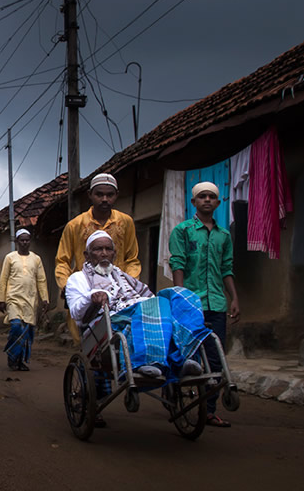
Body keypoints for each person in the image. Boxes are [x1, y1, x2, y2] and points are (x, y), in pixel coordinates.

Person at [65, 230, 208, 379]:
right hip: (109, 322)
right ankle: (149, 361)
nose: (104, 253)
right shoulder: (78, 278)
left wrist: (160, 304)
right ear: (87, 255)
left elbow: (148, 295)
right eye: (98, 249)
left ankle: (186, 357)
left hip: (141, 310)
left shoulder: (122, 276)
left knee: (181, 295)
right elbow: (76, 313)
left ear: (114, 254)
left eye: (108, 249)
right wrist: (91, 297)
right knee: (153, 306)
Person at [169, 180, 240, 428]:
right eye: (202, 197)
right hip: (191, 304)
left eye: (212, 197)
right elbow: (178, 263)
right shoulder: (183, 231)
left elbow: (226, 269)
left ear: (218, 202)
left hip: (217, 305)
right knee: (188, 358)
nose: (207, 200)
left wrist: (234, 299)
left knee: (215, 358)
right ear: (194, 202)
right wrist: (179, 298)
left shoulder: (223, 236)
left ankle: (209, 411)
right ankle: (180, 400)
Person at [55, 173, 141, 344]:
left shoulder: (125, 222)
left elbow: (132, 259)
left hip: (119, 289)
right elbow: (62, 261)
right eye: (99, 194)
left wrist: (129, 283)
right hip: (87, 289)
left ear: (116, 195)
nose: (104, 199)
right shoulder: (75, 225)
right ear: (90, 195)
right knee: (88, 342)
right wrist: (66, 286)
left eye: (109, 195)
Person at [0, 229, 49, 371]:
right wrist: (1, 299)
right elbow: (3, 279)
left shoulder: (36, 259)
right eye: (22, 240)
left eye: (27, 240)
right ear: (17, 242)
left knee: (27, 332)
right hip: (13, 298)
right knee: (16, 326)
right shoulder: (10, 257)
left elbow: (41, 280)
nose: (25, 242)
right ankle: (12, 355)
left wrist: (45, 299)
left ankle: (20, 361)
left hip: (31, 300)